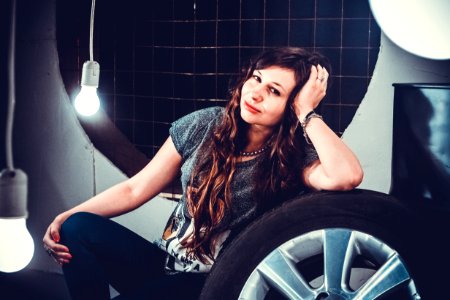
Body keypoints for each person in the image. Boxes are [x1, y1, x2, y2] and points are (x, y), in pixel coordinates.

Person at [42, 47, 363, 299]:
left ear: (292, 104)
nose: (256, 93)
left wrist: (307, 112)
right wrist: (63, 218)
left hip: (213, 285)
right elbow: (135, 189)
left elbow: (346, 176)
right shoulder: (205, 124)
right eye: (256, 78)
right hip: (164, 263)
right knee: (77, 226)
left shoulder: (292, 158)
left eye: (275, 91)